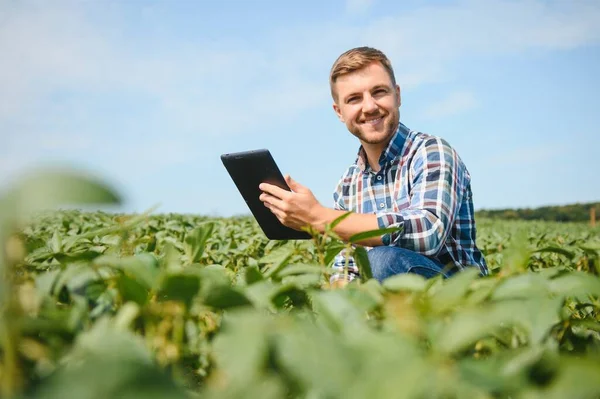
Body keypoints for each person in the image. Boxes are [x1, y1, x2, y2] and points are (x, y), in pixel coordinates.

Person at [259, 46, 488, 287]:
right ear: (339, 112)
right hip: (392, 309)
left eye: (379, 92)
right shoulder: (348, 185)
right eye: (354, 99)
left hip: (462, 299)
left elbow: (428, 232)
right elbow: (347, 265)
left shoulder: (431, 151)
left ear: (397, 96)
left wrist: (319, 217)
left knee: (382, 260)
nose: (369, 107)